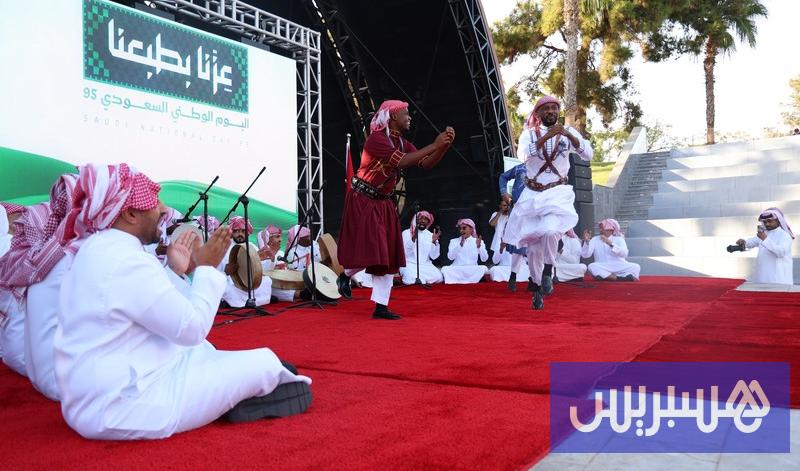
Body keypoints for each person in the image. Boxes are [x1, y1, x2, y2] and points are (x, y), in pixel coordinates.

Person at [54, 163, 311, 440]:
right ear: (129, 214)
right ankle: (236, 395)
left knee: (207, 352)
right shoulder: (126, 261)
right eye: (153, 203)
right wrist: (207, 268)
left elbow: (155, 308)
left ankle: (230, 394)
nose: (163, 210)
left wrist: (183, 269)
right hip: (127, 406)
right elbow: (191, 329)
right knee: (266, 363)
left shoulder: (97, 250)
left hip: (98, 395)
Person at [336, 100, 454, 319]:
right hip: (364, 200)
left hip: (383, 202)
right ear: (392, 117)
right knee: (374, 250)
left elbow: (425, 163)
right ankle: (346, 274)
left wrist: (443, 146)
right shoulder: (376, 140)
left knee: (388, 255)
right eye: (405, 113)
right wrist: (435, 144)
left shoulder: (401, 142)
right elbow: (402, 162)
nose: (409, 117)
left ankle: (380, 306)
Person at [503, 95, 593, 309]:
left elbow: (588, 154)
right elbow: (523, 155)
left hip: (557, 193)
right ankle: (536, 287)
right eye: (546, 108)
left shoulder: (568, 132)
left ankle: (547, 271)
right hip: (532, 196)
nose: (551, 111)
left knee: (551, 231)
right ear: (538, 113)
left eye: (554, 108)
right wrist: (546, 137)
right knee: (534, 249)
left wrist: (569, 137)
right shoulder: (529, 134)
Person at [732, 208, 795, 284]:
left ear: (778, 220)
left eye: (770, 221)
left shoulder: (785, 235)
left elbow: (781, 252)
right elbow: (752, 241)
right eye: (765, 222)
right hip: (763, 276)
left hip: (778, 277)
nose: (767, 224)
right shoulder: (764, 233)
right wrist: (744, 242)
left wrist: (765, 239)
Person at [222, 216, 273, 307]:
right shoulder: (225, 248)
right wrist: (226, 271)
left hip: (249, 283)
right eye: (236, 231)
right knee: (224, 286)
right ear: (232, 233)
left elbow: (261, 270)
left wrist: (270, 259)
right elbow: (218, 271)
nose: (240, 234)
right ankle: (235, 301)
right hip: (233, 283)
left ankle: (251, 300)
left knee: (267, 280)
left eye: (243, 231)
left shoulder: (251, 246)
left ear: (248, 233)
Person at [498, 163, 531, 292]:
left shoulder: (544, 168)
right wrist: (504, 193)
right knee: (518, 245)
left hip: (535, 211)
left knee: (534, 246)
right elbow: (503, 177)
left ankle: (533, 279)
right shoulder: (520, 168)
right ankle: (513, 276)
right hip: (518, 209)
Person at [399, 211, 443, 285]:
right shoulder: (406, 233)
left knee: (439, 277)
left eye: (426, 219)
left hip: (425, 265)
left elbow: (434, 256)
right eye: (421, 218)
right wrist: (413, 239)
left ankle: (422, 280)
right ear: (415, 220)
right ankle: (422, 280)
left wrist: (434, 243)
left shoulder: (431, 235)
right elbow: (404, 254)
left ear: (428, 222)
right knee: (410, 279)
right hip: (409, 264)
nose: (423, 221)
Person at [441, 219, 488, 284]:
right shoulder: (454, 241)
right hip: (458, 268)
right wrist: (459, 246)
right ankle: (472, 280)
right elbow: (450, 257)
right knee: (445, 269)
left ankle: (459, 280)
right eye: (460, 228)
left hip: (472, 269)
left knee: (483, 268)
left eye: (464, 228)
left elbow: (484, 259)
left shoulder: (478, 241)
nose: (461, 231)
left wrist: (479, 247)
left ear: (471, 229)